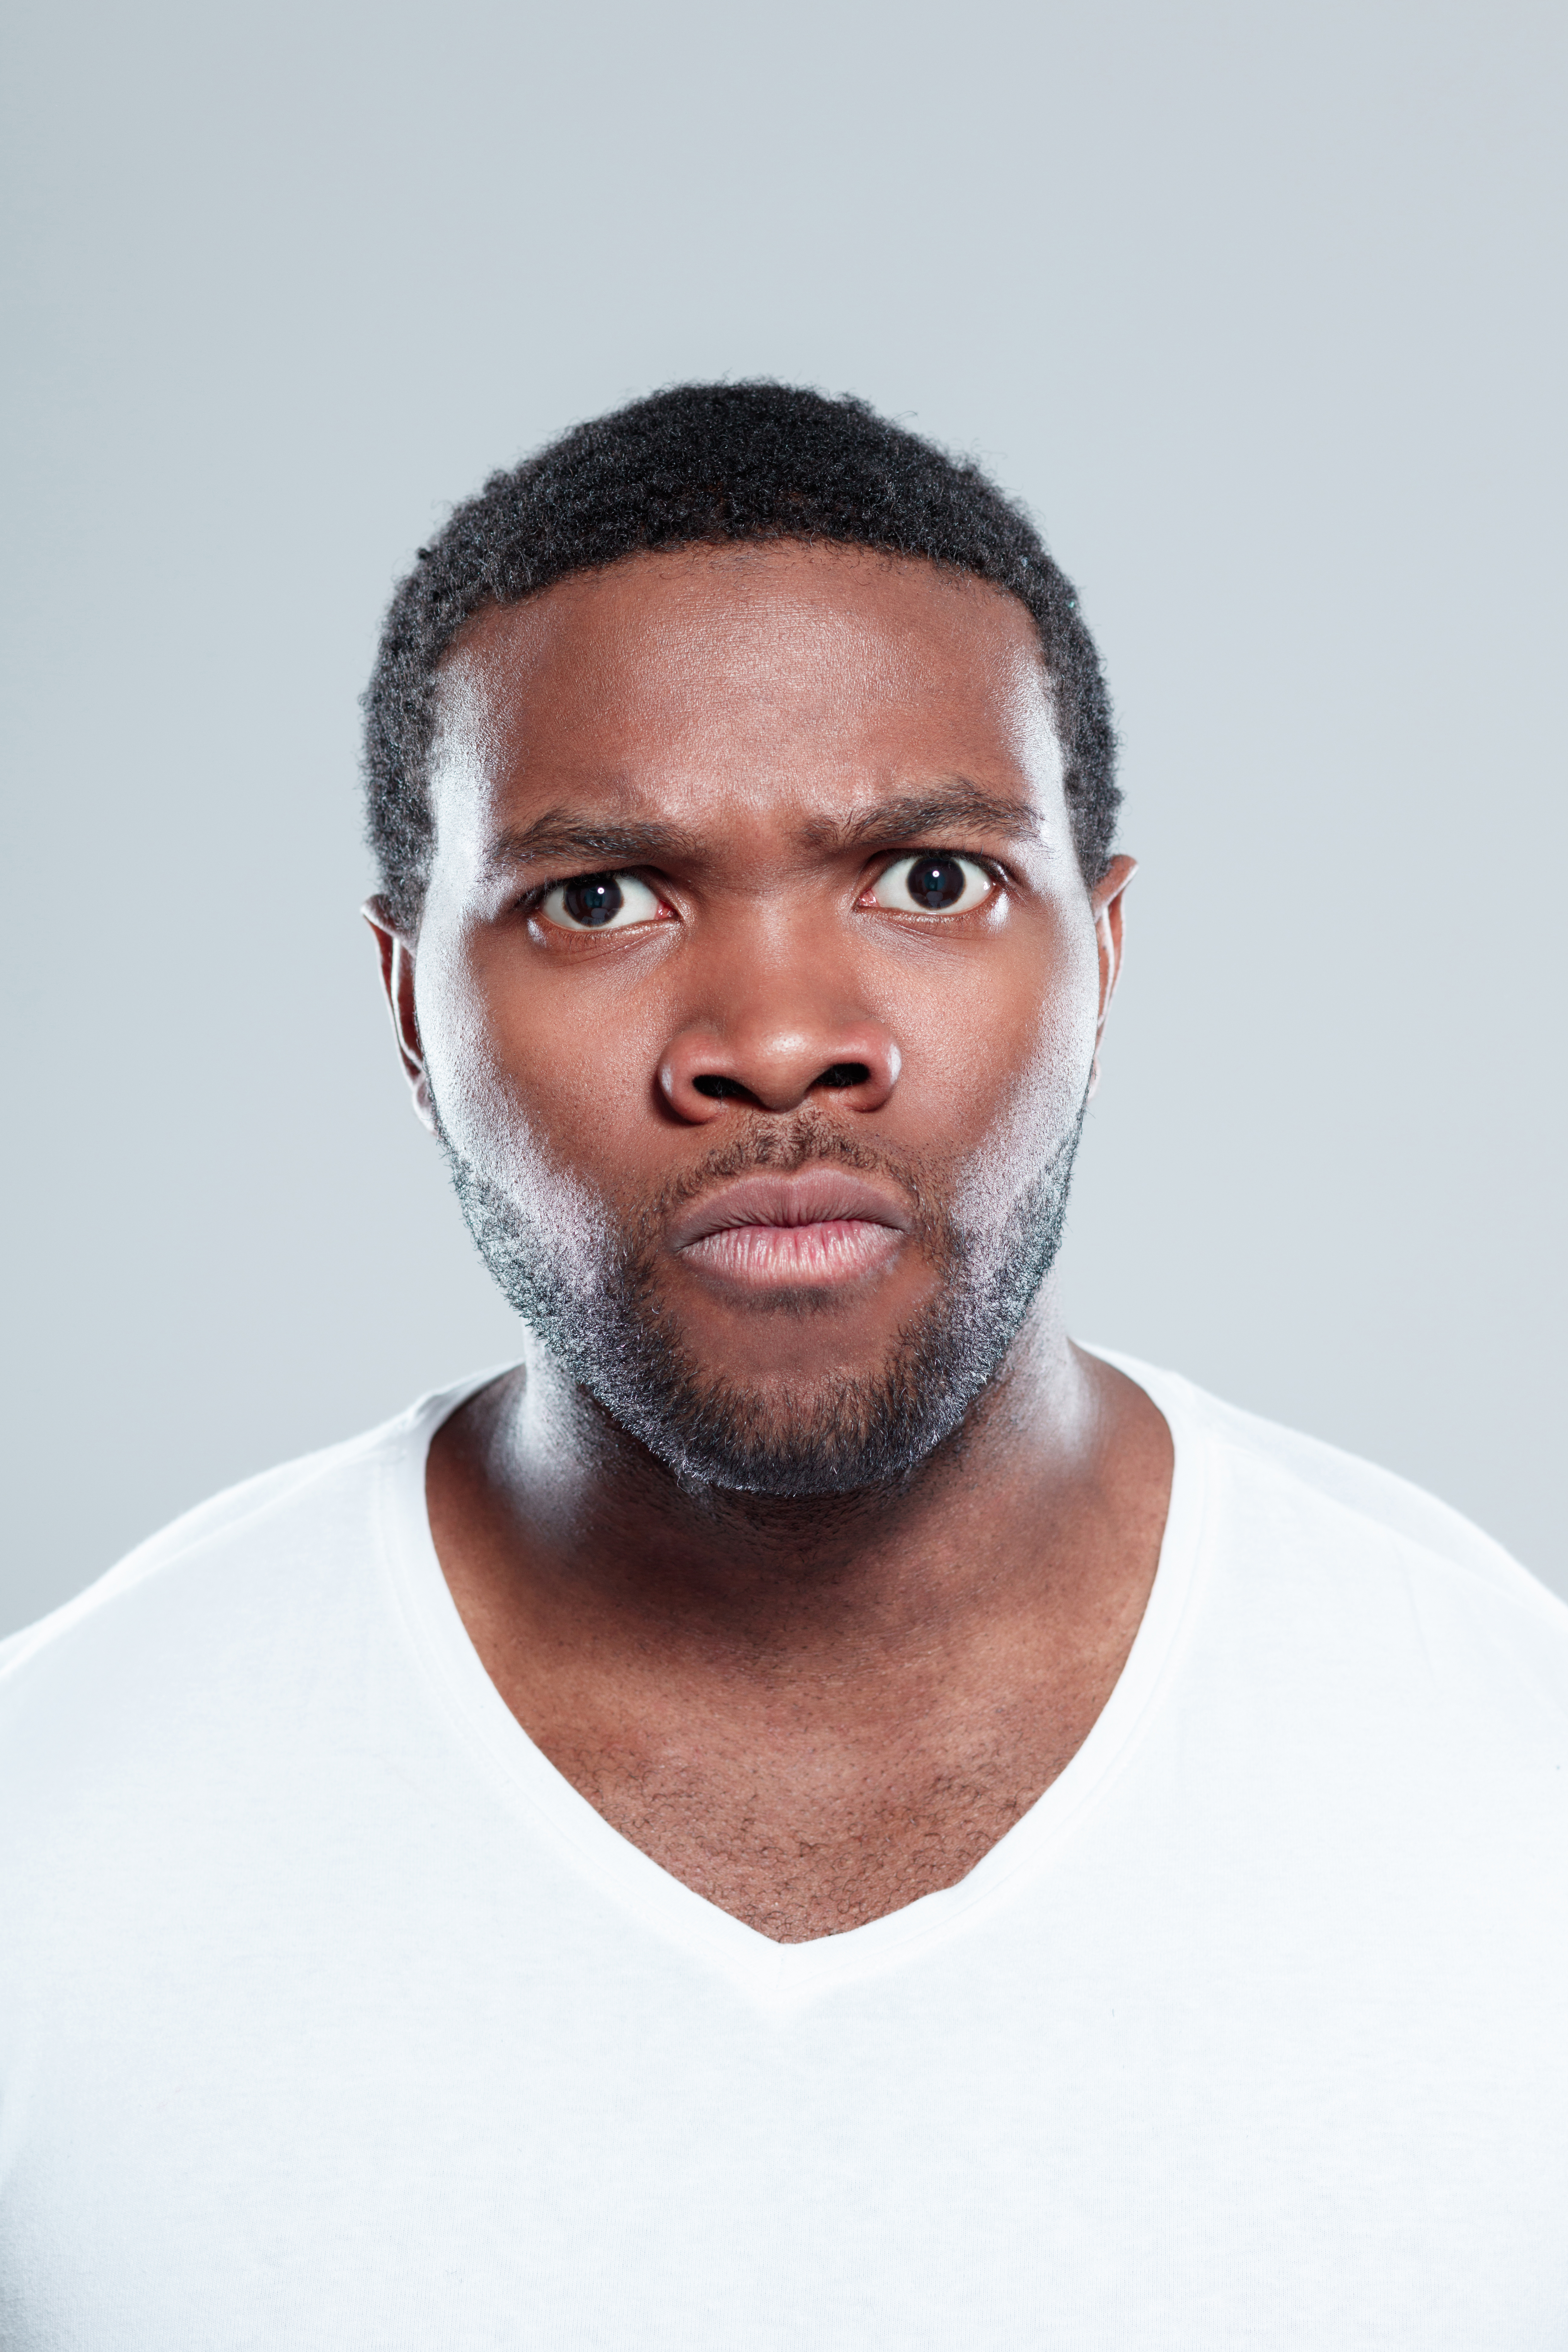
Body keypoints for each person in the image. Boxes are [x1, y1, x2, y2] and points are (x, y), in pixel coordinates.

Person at [2, 384, 1564, 2349]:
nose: (773, 1037)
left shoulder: (1516, 1793)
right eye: (597, 898)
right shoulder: (52, 1833)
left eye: (929, 877)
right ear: (409, 1007)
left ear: (1102, 957)